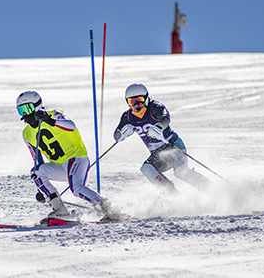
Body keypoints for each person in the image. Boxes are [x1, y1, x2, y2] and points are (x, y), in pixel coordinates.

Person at [16, 90, 117, 220]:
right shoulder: (27, 134)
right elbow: (37, 159)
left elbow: (71, 126)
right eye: (20, 110)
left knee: (76, 188)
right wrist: (43, 189)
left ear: (36, 106)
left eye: (27, 108)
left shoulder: (54, 114)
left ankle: (106, 206)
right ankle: (60, 210)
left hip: (76, 159)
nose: (24, 114)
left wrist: (49, 120)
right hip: (60, 167)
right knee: (36, 172)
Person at [113, 83, 211, 194]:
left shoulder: (155, 107)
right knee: (147, 169)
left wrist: (159, 127)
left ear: (146, 98)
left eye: (139, 100)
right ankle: (173, 195)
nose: (136, 105)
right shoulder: (128, 117)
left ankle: (210, 188)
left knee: (181, 172)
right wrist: (122, 133)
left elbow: (165, 118)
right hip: (158, 153)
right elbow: (116, 135)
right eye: (132, 102)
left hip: (173, 145)